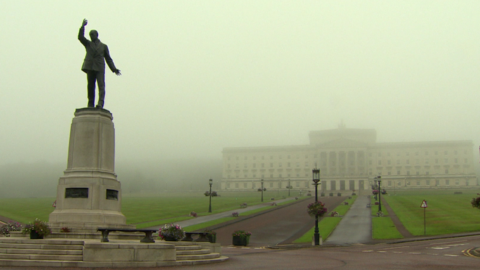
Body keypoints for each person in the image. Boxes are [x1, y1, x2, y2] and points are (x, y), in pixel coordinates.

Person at [78, 19, 121, 108]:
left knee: (101, 86)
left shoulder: (103, 46)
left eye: (92, 34)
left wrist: (114, 69)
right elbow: (80, 37)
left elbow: (108, 59)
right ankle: (90, 103)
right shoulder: (88, 44)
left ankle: (100, 103)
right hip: (90, 66)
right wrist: (82, 27)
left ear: (97, 35)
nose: (91, 36)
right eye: (90, 35)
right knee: (90, 86)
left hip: (100, 67)